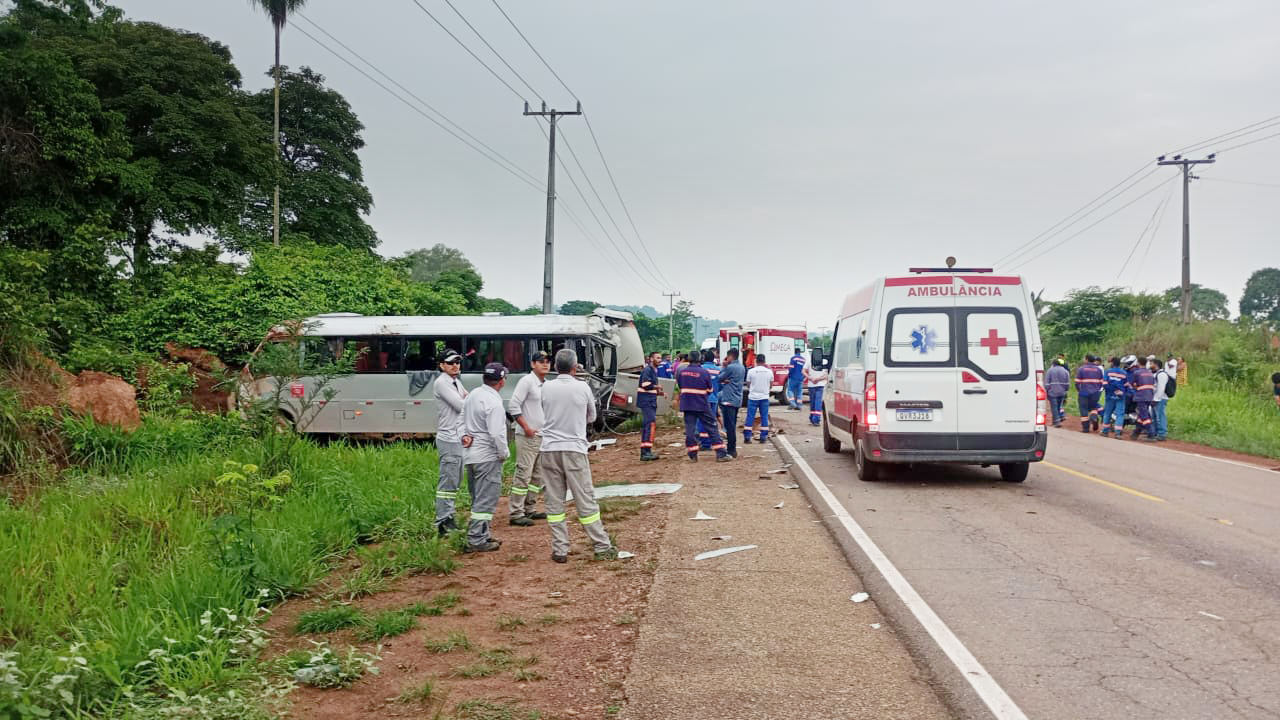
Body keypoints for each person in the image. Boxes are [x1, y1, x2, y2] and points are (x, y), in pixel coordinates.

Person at [539, 348, 616, 563]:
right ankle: (602, 545)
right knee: (585, 499)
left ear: (555, 366)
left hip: (549, 450)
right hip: (574, 449)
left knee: (554, 502)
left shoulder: (546, 387)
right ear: (575, 367)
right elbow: (591, 417)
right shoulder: (582, 387)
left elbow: (542, 412)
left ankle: (560, 549)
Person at [460, 363, 510, 553]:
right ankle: (476, 539)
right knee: (486, 499)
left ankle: (483, 534)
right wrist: (503, 453)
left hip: (471, 454)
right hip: (487, 456)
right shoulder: (494, 403)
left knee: (477, 497)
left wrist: (463, 435)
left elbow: (461, 418)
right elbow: (497, 433)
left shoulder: (473, 395)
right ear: (502, 381)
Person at [506, 351, 551, 526]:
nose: (545, 364)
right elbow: (514, 405)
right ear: (533, 364)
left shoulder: (546, 384)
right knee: (523, 473)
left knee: (537, 476)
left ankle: (529, 508)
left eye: (547, 361)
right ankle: (516, 512)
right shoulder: (527, 381)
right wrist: (526, 427)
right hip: (527, 436)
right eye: (541, 362)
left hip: (542, 436)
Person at [432, 349, 467, 536]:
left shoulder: (455, 382)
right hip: (449, 438)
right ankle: (443, 522)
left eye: (458, 362)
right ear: (442, 365)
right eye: (451, 362)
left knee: (454, 481)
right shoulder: (442, 383)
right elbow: (462, 405)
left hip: (457, 437)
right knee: (447, 483)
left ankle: (449, 516)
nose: (455, 366)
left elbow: (467, 399)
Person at [677, 353, 728, 462]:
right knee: (711, 427)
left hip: (687, 405)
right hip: (702, 404)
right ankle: (721, 453)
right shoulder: (704, 373)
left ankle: (692, 454)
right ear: (700, 359)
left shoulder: (682, 372)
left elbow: (681, 386)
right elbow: (710, 390)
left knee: (690, 429)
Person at [718, 348, 745, 458]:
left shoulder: (730, 367)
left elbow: (719, 377)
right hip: (737, 399)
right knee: (732, 425)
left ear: (730, 356)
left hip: (728, 399)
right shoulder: (742, 367)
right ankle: (732, 448)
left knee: (729, 427)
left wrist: (724, 366)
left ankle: (731, 450)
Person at [637, 351, 662, 461]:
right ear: (651, 359)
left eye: (660, 358)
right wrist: (657, 387)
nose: (659, 360)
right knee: (649, 426)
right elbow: (646, 385)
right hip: (647, 402)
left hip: (650, 401)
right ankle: (645, 452)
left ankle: (647, 450)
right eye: (657, 358)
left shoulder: (652, 370)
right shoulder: (648, 370)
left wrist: (659, 392)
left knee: (650, 425)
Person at [743, 353, 772, 444]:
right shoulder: (769, 372)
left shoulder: (751, 371)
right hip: (764, 397)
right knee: (764, 417)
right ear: (764, 361)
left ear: (756, 361)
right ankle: (763, 437)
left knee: (750, 416)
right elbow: (770, 385)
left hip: (753, 397)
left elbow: (748, 384)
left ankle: (747, 437)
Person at [698, 349, 722, 450]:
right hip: (714, 399)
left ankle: (705, 444)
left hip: (703, 399)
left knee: (702, 421)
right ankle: (714, 442)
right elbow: (721, 385)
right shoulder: (718, 370)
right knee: (712, 421)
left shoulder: (701, 369)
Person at [1074, 354, 1104, 433]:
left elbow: (1077, 382)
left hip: (1084, 392)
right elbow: (1102, 382)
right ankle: (1094, 418)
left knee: (1083, 409)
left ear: (1086, 359)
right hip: (1095, 393)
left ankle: (1086, 428)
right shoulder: (1098, 370)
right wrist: (1097, 389)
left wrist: (1079, 390)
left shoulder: (1082, 369)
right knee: (1093, 407)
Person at [1100, 356, 1129, 438]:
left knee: (1107, 413)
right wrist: (1121, 392)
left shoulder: (1108, 372)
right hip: (1120, 396)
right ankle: (1118, 433)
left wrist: (1111, 391)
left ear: (1112, 363)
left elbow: (1105, 384)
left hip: (1110, 396)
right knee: (1120, 414)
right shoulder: (1124, 373)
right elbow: (1126, 385)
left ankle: (1105, 431)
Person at [1129, 360, 1157, 441]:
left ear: (1138, 363)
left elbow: (1133, 384)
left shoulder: (1137, 373)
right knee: (1141, 415)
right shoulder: (1150, 373)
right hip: (1150, 396)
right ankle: (1136, 433)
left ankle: (1151, 434)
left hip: (1141, 396)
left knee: (1144, 415)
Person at [1045, 358, 1070, 427]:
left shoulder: (1050, 371)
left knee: (1054, 407)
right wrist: (1065, 390)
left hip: (1052, 392)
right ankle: (1056, 420)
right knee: (1059, 407)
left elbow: (1047, 382)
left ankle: (1056, 422)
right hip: (1062, 392)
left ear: (1053, 364)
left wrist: (1047, 389)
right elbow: (1067, 384)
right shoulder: (1065, 371)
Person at [1151, 358, 1171, 441]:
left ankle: (1162, 434)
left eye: (1151, 363)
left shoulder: (1161, 374)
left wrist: (1156, 399)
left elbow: (1161, 388)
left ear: (1156, 364)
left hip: (1160, 398)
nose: (1150, 365)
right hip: (1156, 398)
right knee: (1155, 416)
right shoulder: (1157, 373)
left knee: (1160, 416)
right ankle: (1155, 433)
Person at [804, 358, 828, 426]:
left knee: (813, 402)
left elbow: (803, 371)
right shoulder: (825, 361)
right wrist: (818, 379)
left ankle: (813, 418)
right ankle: (816, 419)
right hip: (821, 384)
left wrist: (810, 378)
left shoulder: (809, 361)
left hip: (812, 384)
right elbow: (827, 374)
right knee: (818, 402)